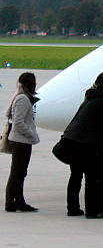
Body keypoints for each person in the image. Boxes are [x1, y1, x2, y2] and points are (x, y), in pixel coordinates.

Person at [62, 72, 103, 218]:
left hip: (71, 139)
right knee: (91, 178)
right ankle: (92, 211)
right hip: (85, 144)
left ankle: (72, 208)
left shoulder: (89, 99)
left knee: (75, 176)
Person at [5, 72, 40, 213]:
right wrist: (30, 134)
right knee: (17, 173)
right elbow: (18, 121)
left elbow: (8, 113)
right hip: (21, 141)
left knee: (20, 172)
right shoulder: (23, 99)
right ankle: (10, 202)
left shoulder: (18, 96)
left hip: (20, 140)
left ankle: (19, 201)